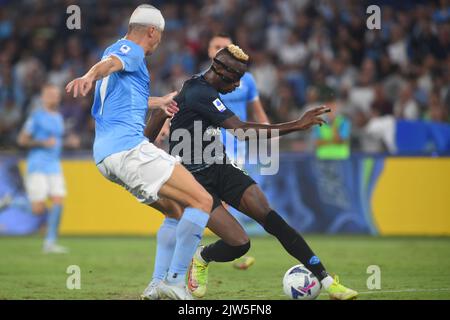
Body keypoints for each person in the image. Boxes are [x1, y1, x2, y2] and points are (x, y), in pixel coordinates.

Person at [145, 44, 358, 300]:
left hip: (220, 167)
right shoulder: (199, 92)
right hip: (193, 180)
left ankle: (325, 280)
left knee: (273, 220)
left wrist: (147, 140)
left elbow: (163, 109)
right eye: (235, 80)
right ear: (221, 73)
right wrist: (296, 125)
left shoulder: (200, 87)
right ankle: (202, 257)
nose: (237, 87)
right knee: (240, 244)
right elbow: (240, 129)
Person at [65, 4, 218, 300]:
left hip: (106, 157)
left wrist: (159, 101)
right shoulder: (130, 50)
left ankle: (156, 285)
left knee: (175, 210)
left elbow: (124, 97)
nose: (159, 41)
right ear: (152, 31)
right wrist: (88, 76)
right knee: (201, 200)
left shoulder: (122, 55)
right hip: (128, 149)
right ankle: (174, 282)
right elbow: (108, 64)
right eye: (159, 35)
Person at [149, 34, 269, 285]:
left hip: (233, 149)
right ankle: (201, 259)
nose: (216, 50)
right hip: (198, 151)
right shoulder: (199, 84)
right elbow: (180, 106)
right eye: (214, 46)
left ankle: (201, 259)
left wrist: (268, 129)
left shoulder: (246, 82)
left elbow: (255, 112)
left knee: (204, 208)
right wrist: (165, 125)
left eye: (221, 46)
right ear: (212, 54)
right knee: (198, 207)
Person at [17, 84, 68, 253]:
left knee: (58, 201)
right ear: (43, 97)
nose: (54, 97)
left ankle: (50, 242)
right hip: (37, 164)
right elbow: (22, 140)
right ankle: (11, 202)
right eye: (50, 95)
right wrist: (42, 143)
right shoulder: (36, 117)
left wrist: (70, 142)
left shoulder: (59, 117)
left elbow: (57, 141)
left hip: (54, 165)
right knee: (37, 209)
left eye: (56, 94)